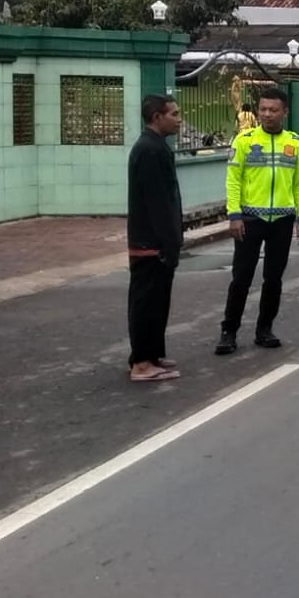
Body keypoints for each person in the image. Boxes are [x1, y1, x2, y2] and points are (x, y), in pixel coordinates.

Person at [216, 85, 299, 355]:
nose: (267, 114)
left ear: (285, 112)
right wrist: (234, 215)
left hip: (282, 220)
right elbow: (233, 180)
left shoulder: (296, 143)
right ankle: (229, 331)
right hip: (249, 219)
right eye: (263, 109)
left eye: (273, 110)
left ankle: (264, 329)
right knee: (241, 277)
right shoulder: (244, 141)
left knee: (273, 278)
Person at [127, 95, 184, 383]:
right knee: (146, 303)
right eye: (174, 114)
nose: (179, 119)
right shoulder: (149, 150)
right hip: (150, 243)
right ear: (156, 117)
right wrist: (169, 242)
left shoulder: (157, 146)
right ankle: (141, 363)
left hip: (156, 241)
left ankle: (151, 355)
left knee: (158, 302)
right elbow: (157, 203)